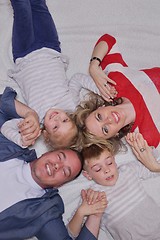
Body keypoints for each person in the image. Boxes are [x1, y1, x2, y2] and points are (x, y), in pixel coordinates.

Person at [3, 0, 116, 150]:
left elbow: (6, 126)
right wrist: (99, 88)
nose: (58, 118)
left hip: (25, 53)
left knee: (22, 7)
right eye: (65, 120)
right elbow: (77, 79)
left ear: (46, 135)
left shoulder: (35, 118)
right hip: (51, 47)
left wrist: (21, 139)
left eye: (55, 126)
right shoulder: (70, 104)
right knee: (38, 5)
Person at [0, 80, 106, 240]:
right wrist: (31, 114)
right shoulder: (12, 142)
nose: (57, 165)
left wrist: (94, 215)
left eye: (65, 171)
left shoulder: (43, 212)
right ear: (45, 153)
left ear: (60, 185)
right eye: (59, 157)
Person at [70, 33, 160, 149]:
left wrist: (93, 65)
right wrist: (155, 167)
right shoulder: (147, 137)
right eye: (105, 129)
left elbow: (108, 40)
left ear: (101, 107)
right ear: (114, 135)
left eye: (99, 117)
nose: (108, 120)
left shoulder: (115, 81)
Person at [67, 132, 160, 240]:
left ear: (115, 161)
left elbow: (155, 169)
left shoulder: (128, 170)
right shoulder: (93, 196)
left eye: (109, 163)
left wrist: (147, 149)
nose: (106, 170)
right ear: (88, 175)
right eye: (98, 169)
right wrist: (81, 212)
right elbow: (71, 233)